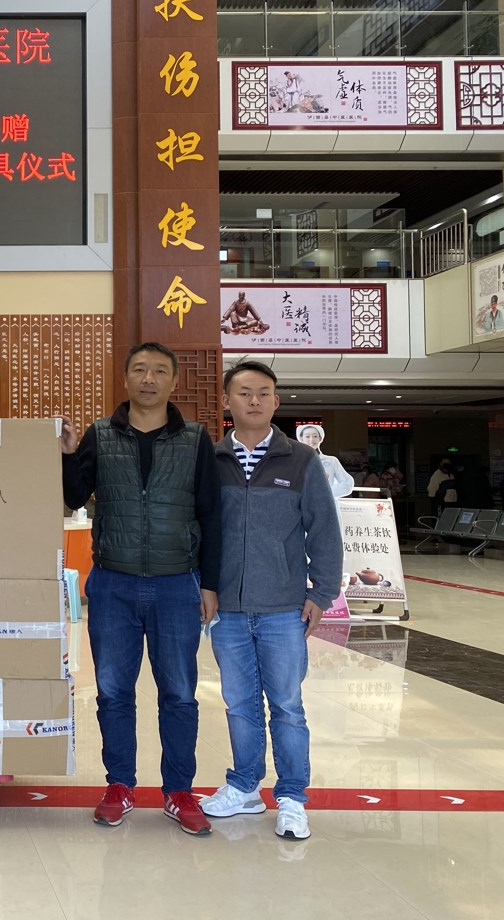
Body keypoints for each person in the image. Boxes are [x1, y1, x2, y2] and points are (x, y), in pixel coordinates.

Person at [60, 341, 221, 836]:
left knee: (179, 693)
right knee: (112, 691)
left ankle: (179, 791)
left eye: (159, 371)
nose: (149, 379)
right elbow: (73, 496)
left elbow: (210, 514)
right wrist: (67, 454)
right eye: (139, 370)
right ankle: (119, 786)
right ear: (126, 377)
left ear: (174, 381)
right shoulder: (100, 434)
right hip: (114, 583)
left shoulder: (195, 439)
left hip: (177, 583)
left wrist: (210, 584)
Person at [202, 360, 343, 840]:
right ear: (227, 401)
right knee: (239, 704)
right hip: (228, 610)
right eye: (244, 392)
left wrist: (321, 592)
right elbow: (199, 529)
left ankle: (292, 797)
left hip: (284, 608)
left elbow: (324, 530)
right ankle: (244, 786)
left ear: (276, 402)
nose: (255, 400)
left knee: (286, 705)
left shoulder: (300, 460)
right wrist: (204, 585)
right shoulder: (212, 459)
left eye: (264, 392)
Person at [294, 424, 354, 499]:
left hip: (326, 503)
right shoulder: (294, 461)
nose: (311, 440)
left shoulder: (331, 461)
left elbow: (348, 483)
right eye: (307, 436)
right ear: (301, 438)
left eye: (315, 436)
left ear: (320, 438)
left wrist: (325, 492)